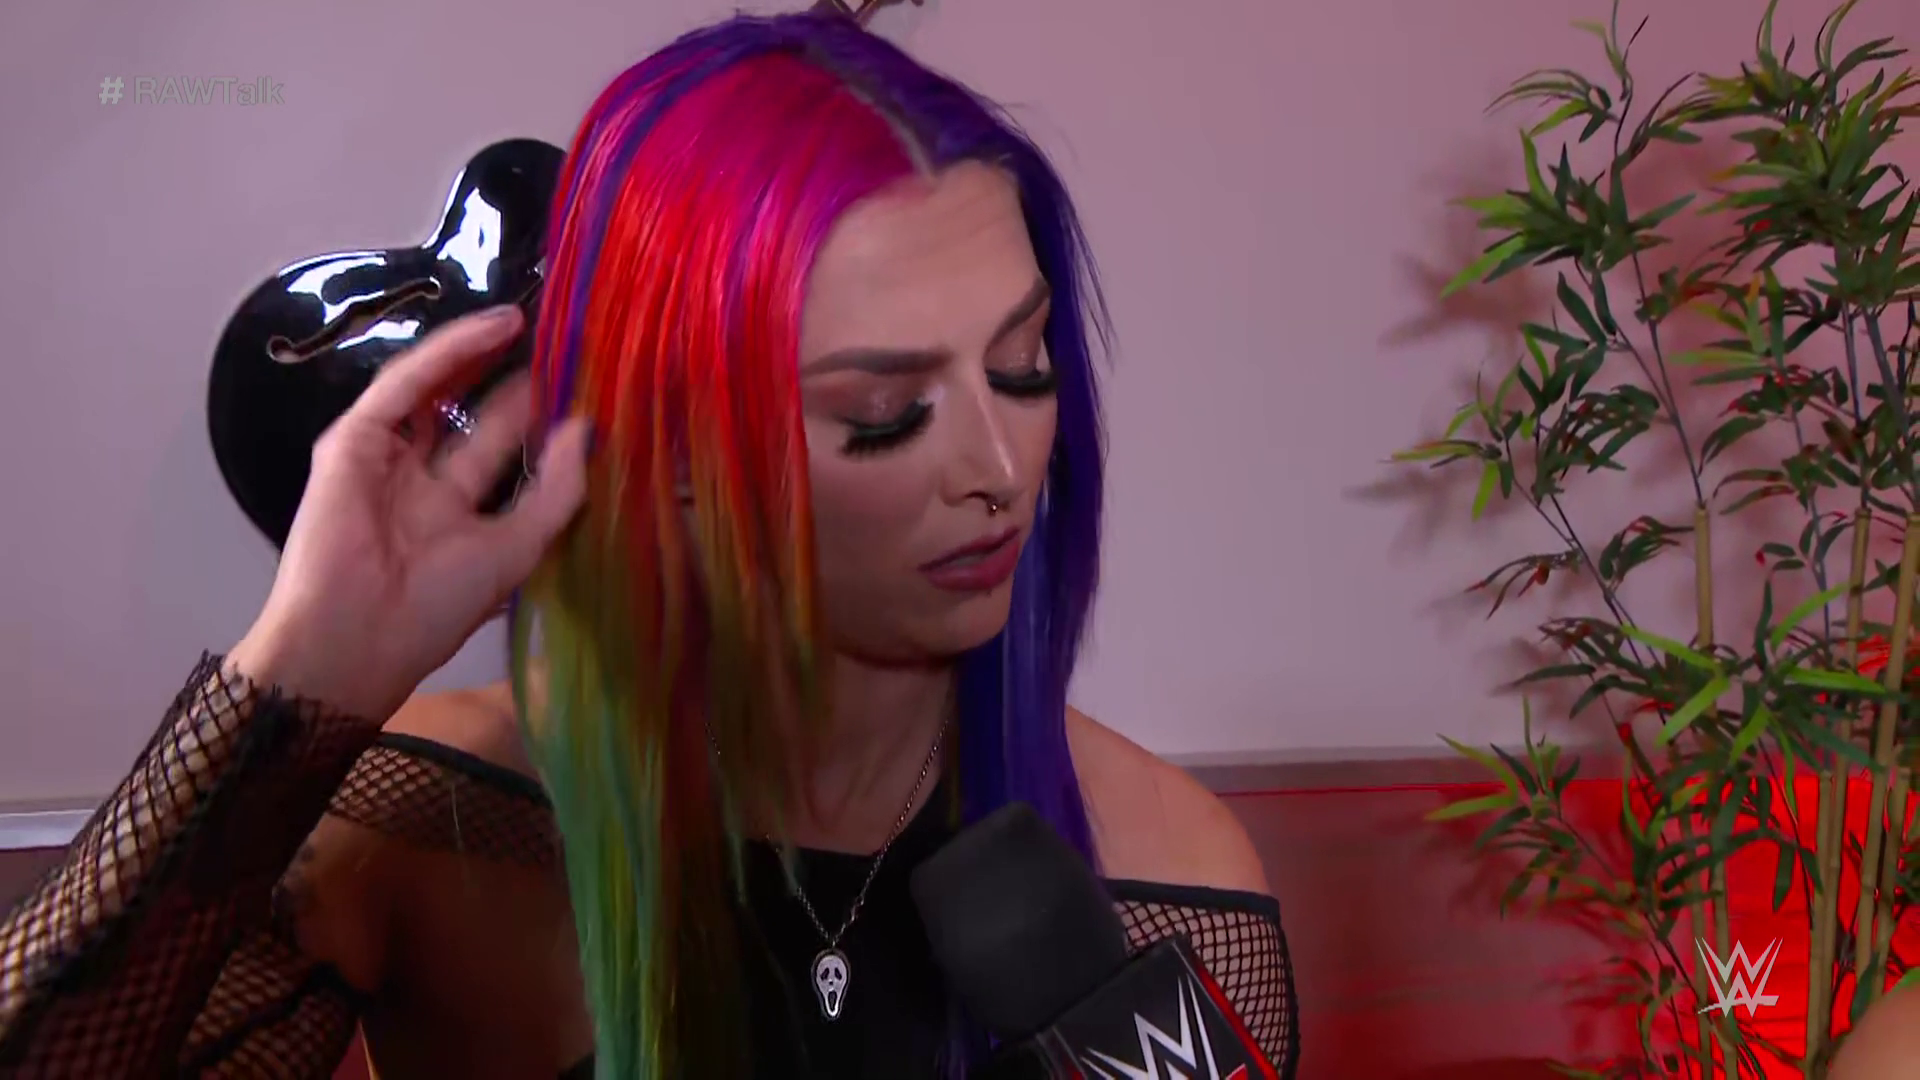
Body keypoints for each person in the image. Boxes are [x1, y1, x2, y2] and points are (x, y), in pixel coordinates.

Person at [0, 12, 1299, 1079]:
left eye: (1022, 367)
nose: (1002, 470)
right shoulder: (420, 828)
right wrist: (302, 672)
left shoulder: (1166, 875)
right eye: (884, 412)